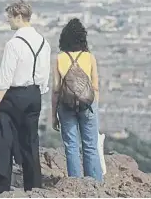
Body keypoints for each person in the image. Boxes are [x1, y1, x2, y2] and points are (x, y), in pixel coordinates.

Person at [0, 0, 51, 193]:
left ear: (18, 17)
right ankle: (34, 188)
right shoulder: (44, 42)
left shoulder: (14, 44)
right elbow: (44, 74)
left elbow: (5, 77)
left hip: (14, 96)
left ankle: (2, 186)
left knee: (3, 138)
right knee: (31, 141)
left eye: (9, 18)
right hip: (35, 95)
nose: (8, 22)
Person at [51, 18, 103, 182]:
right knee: (90, 146)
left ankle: (76, 184)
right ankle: (95, 184)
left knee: (71, 146)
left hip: (65, 105)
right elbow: (95, 86)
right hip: (88, 105)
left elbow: (56, 90)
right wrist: (94, 108)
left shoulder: (60, 59)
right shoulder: (89, 57)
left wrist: (53, 115)